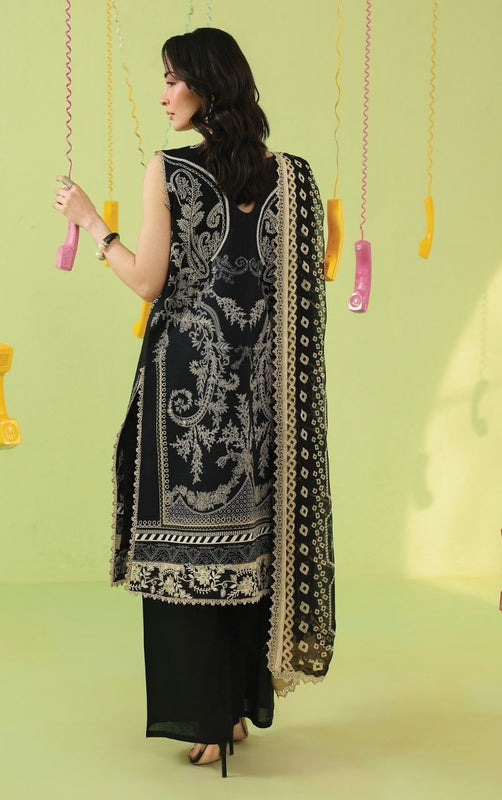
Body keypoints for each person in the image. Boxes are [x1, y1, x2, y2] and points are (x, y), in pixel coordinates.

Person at [54, 27, 335, 778]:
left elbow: (148, 282)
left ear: (209, 87)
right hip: (263, 394)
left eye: (173, 80)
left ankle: (206, 720)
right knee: (248, 546)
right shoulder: (293, 177)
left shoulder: (170, 170)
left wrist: (92, 224)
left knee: (188, 550)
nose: (163, 95)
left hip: (186, 385)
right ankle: (233, 709)